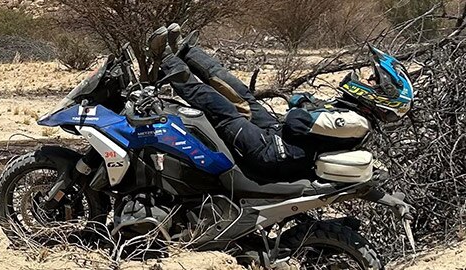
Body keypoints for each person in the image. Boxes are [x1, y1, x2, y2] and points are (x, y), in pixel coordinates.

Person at [147, 24, 411, 183]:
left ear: (380, 97)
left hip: (273, 153)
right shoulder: (355, 116)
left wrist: (304, 103)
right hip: (278, 141)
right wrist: (309, 105)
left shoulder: (356, 122)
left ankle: (166, 60)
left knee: (223, 110)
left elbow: (297, 123)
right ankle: (187, 52)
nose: (366, 77)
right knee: (242, 95)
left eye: (373, 79)